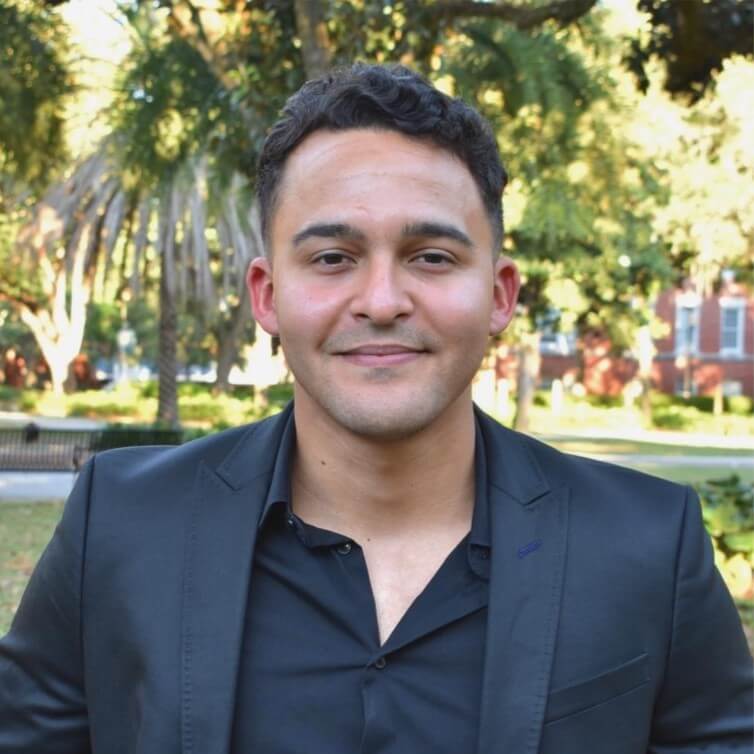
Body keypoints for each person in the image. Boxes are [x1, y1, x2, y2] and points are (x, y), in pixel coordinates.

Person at [0, 63, 751, 754]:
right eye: (332, 258)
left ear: (499, 295)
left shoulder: (650, 546)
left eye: (432, 256)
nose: (383, 302)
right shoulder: (123, 525)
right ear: (268, 295)